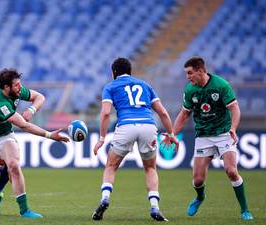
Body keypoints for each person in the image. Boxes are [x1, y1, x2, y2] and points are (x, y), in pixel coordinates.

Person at [91, 58, 179, 221]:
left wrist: (102, 138)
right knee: (150, 168)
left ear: (114, 72)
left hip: (126, 126)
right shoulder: (145, 85)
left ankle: (105, 198)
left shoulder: (111, 86)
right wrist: (171, 134)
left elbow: (105, 113)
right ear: (130, 71)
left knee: (111, 165)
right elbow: (163, 113)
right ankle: (154, 207)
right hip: (148, 126)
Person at [0, 68, 69, 218]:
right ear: (6, 87)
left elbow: (40, 97)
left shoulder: (16, 91)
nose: (20, 87)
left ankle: (25, 210)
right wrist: (50, 135)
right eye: (17, 85)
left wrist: (31, 110)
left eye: (20, 84)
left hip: (4, 135)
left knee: (13, 165)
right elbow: (24, 125)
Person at [172, 56, 253, 220]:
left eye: (190, 73)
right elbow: (184, 114)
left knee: (231, 171)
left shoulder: (221, 85)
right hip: (203, 135)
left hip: (224, 133)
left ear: (200, 71)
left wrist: (233, 129)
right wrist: (173, 134)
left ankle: (245, 210)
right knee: (197, 180)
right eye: (187, 74)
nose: (188, 77)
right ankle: (200, 197)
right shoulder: (190, 90)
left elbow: (235, 108)